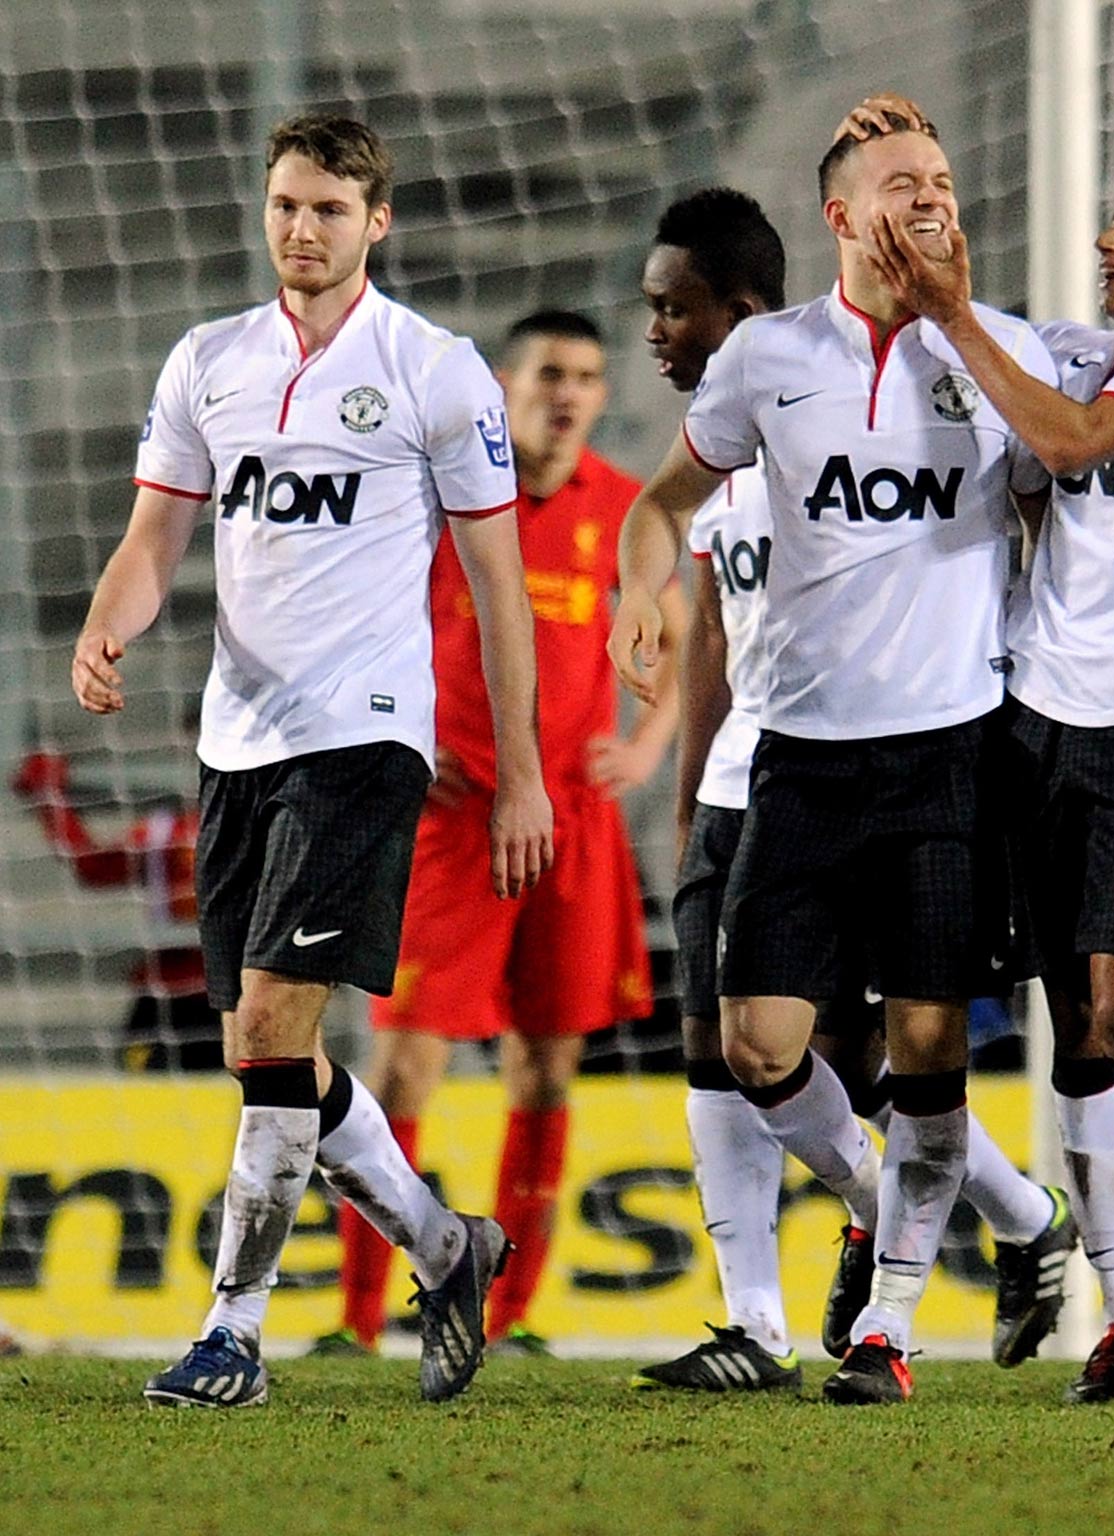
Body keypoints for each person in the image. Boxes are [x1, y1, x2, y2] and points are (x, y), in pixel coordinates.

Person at [77, 113, 550, 1407]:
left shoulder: (436, 371)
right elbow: (154, 541)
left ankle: (234, 1331)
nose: (303, 228)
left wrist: (519, 773)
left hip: (367, 734)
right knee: (262, 1050)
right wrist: (106, 628)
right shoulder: (209, 362)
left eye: (330, 210)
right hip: (239, 739)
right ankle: (449, 1249)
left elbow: (498, 588)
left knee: (281, 1024)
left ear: (376, 223)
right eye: (287, 205)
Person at [609, 112, 1057, 1405]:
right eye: (903, 184)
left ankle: (889, 1334)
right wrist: (645, 594)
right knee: (754, 1044)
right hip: (795, 760)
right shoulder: (770, 360)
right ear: (843, 219)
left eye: (947, 181)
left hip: (944, 757)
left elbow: (1067, 481)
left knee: (925, 1049)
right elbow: (664, 506)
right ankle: (970, 1219)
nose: (933, 200)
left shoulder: (1001, 353)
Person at [865, 142, 1114, 1403]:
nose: (1108, 242)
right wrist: (910, 185)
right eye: (1108, 224)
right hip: (1035, 717)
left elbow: (1064, 438)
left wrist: (949, 312)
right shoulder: (1102, 348)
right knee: (1073, 1035)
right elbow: (987, 343)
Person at [316, 309, 675, 1359]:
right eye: (547, 374)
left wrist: (649, 745)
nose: (566, 395)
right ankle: (355, 1317)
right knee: (400, 1075)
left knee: (546, 1074)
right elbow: (360, 622)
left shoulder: (621, 509)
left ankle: (511, 1320)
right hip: (453, 823)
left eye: (586, 377)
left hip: (573, 826)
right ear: (503, 387)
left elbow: (689, 637)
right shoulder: (439, 502)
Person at [13, 748, 213, 1069]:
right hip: (184, 990)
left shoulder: (166, 831)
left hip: (204, 992)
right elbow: (92, 867)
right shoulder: (162, 832)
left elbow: (90, 867)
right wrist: (50, 798)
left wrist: (48, 796)